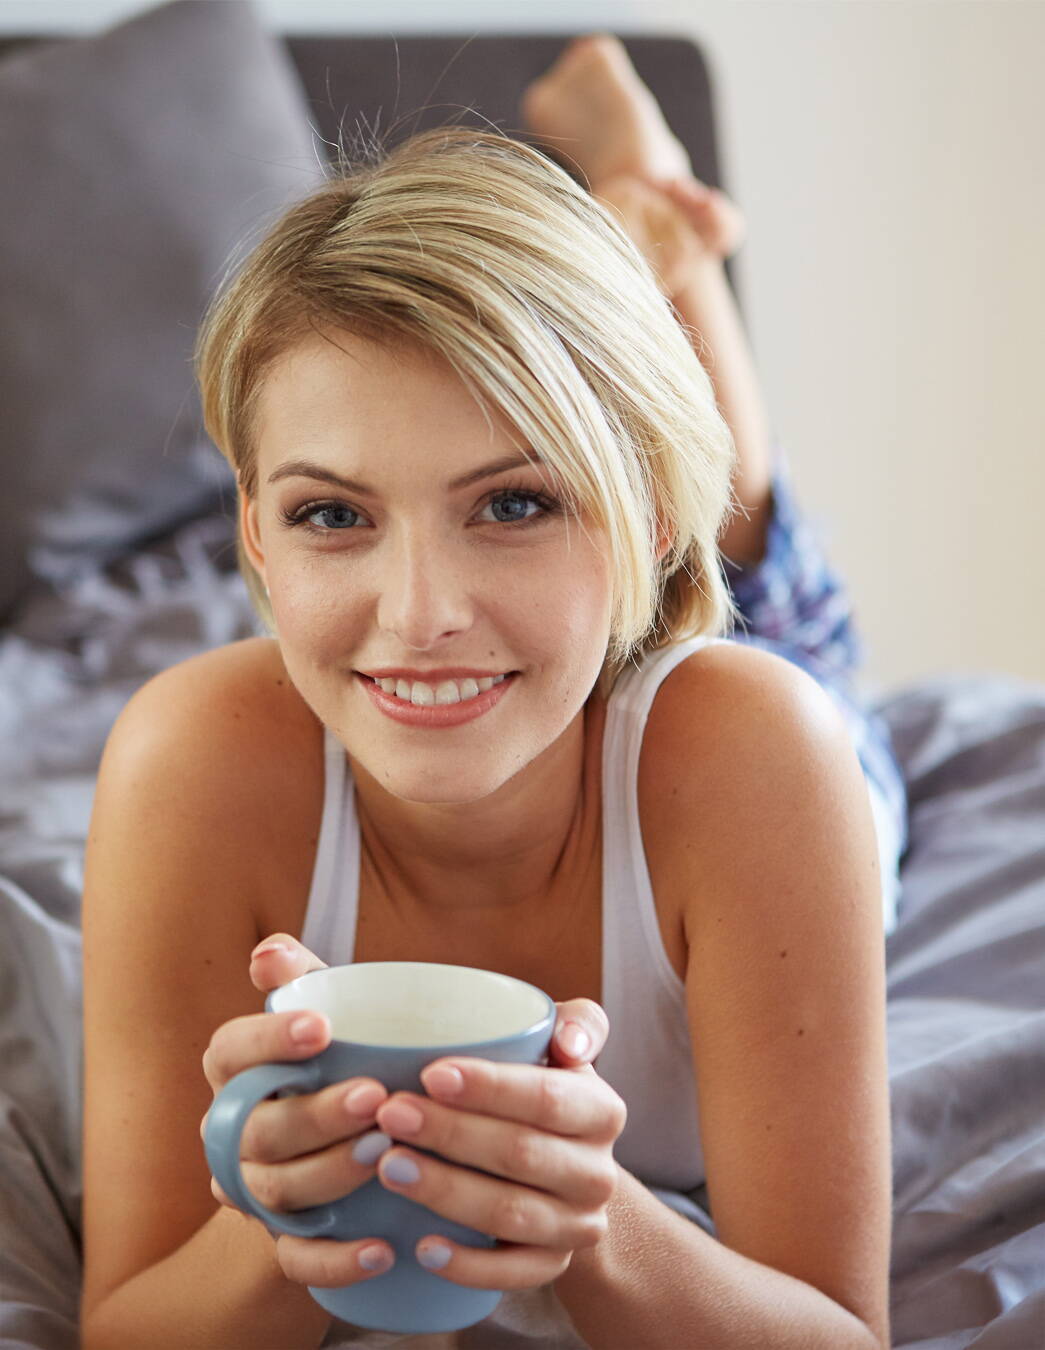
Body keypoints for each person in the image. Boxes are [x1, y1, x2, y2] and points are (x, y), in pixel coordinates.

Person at [78, 34, 902, 1350]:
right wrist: (274, 1214)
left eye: (514, 501)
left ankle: (652, 226)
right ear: (250, 529)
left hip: (737, 704)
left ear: (629, 514)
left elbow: (837, 1332)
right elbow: (130, 1322)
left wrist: (593, 1225)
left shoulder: (757, 754)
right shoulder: (187, 759)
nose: (418, 616)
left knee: (770, 586)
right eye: (333, 512)